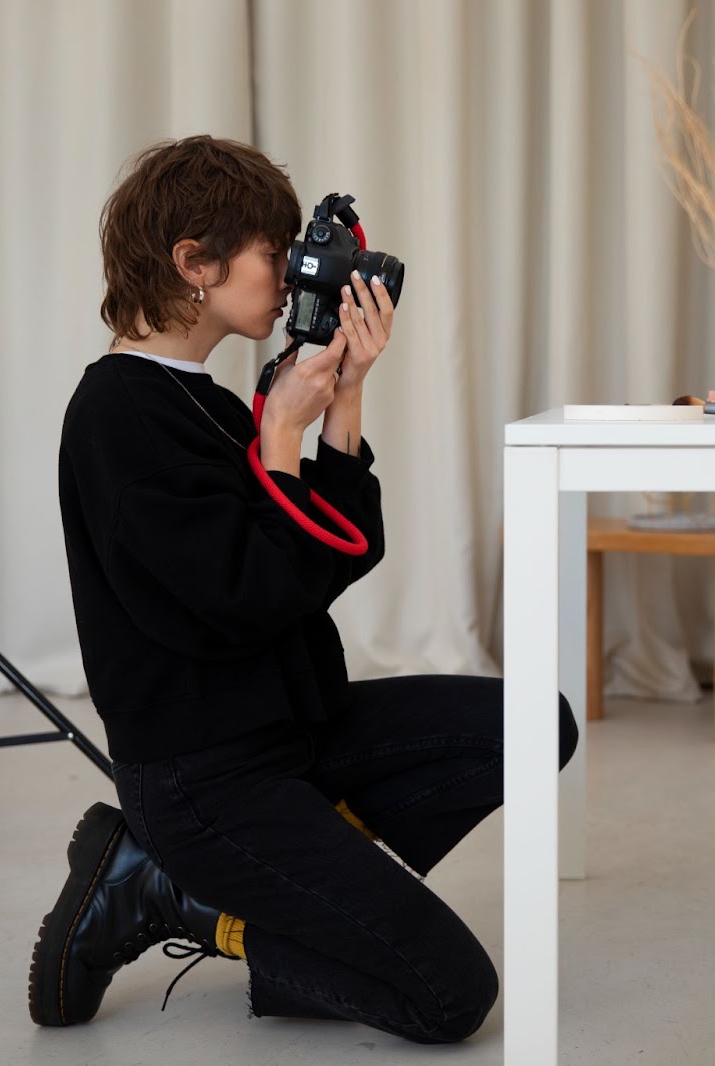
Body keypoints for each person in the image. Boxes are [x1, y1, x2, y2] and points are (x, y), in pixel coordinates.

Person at [32, 135, 577, 1043]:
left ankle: (307, 870)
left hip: (294, 732)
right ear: (193, 263)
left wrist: (347, 396)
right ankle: (178, 895)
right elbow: (244, 596)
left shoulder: (203, 397)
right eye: (271, 253)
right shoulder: (116, 417)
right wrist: (281, 435)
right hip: (206, 775)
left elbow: (341, 551)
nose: (291, 276)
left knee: (535, 725)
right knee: (449, 997)